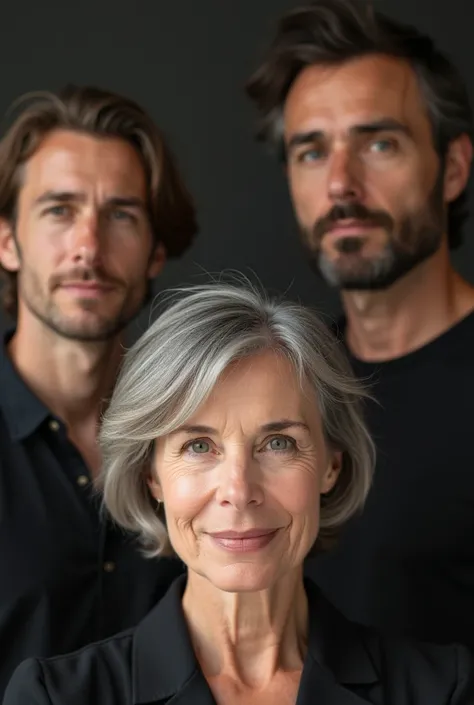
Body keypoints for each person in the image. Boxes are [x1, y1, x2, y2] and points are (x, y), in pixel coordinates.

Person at [3, 280, 473, 705]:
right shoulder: (57, 698)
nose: (238, 490)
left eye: (278, 443)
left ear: (332, 464)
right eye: (198, 445)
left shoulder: (440, 689)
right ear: (152, 476)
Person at [245, 0, 474, 649]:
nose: (342, 184)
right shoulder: (282, 381)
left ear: (452, 168)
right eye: (312, 152)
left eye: (379, 143)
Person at [0, 85, 196, 695]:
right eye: (59, 209)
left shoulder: (200, 429)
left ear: (156, 250)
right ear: (7, 240)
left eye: (121, 215)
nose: (89, 246)